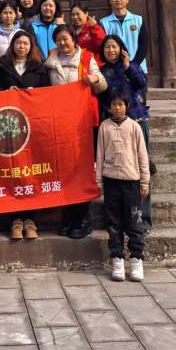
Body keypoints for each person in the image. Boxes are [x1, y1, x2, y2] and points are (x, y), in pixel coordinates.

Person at [44, 25, 107, 239]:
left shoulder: (87, 58)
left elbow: (102, 85)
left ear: (74, 39)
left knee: (81, 170)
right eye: (58, 40)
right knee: (63, 171)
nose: (62, 43)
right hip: (60, 124)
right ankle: (68, 218)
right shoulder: (50, 61)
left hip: (83, 123)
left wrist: (94, 79)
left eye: (66, 39)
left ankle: (82, 218)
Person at [0, 30, 50, 241]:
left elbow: (48, 93)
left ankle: (30, 219)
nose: (22, 47)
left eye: (26, 43)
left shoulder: (39, 68)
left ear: (31, 46)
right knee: (13, 168)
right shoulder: (1, 67)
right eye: (18, 43)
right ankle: (15, 219)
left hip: (32, 124)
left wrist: (35, 93)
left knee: (30, 169)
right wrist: (5, 91)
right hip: (9, 125)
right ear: (12, 45)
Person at [99, 34, 154, 235]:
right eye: (107, 47)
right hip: (114, 126)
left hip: (136, 122)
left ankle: (143, 219)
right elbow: (101, 98)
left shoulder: (132, 66)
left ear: (121, 48)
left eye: (114, 46)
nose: (111, 50)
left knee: (142, 167)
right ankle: (119, 220)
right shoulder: (102, 71)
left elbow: (141, 83)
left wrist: (128, 65)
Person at [96, 92, 150, 282]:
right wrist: (99, 181)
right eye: (114, 104)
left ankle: (136, 259)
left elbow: (142, 155)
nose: (117, 108)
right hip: (111, 181)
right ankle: (117, 259)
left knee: (134, 222)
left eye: (121, 104)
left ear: (127, 106)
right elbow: (100, 154)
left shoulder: (134, 127)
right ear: (109, 107)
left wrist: (144, 181)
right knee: (113, 223)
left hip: (131, 181)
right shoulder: (104, 127)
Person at [100, 0, 149, 75]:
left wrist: (133, 65)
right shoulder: (103, 22)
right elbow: (103, 47)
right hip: (114, 71)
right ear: (110, 1)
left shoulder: (139, 20)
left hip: (138, 68)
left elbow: (143, 45)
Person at [0, 0, 22, 64]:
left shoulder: (21, 33)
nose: (8, 16)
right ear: (0, 15)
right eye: (5, 13)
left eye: (11, 13)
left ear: (15, 15)